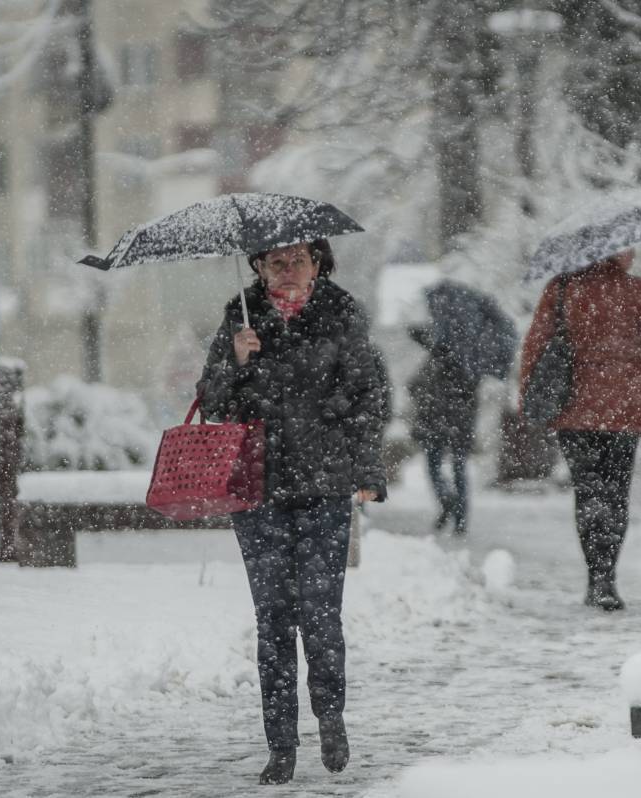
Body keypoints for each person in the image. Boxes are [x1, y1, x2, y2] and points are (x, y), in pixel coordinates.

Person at [197, 238, 386, 785]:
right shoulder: (240, 318)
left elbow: (368, 396)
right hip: (258, 488)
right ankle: (280, 742)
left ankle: (331, 718)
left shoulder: (341, 314)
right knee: (274, 617)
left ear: (318, 263)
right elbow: (212, 403)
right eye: (274, 260)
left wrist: (368, 471)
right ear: (256, 267)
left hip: (324, 485)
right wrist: (235, 360)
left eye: (297, 259)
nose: (286, 268)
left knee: (321, 614)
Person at [518, 249, 641, 611]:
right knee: (616, 493)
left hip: (574, 410)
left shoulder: (560, 289)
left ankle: (596, 576)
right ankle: (609, 577)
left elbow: (535, 346)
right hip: (624, 410)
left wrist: (528, 396)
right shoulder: (639, 292)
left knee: (588, 491)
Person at [406, 325, 478, 534]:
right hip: (457, 425)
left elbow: (414, 386)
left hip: (435, 424)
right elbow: (472, 399)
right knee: (457, 470)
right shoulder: (470, 364)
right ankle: (460, 517)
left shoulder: (434, 362)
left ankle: (449, 501)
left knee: (436, 468)